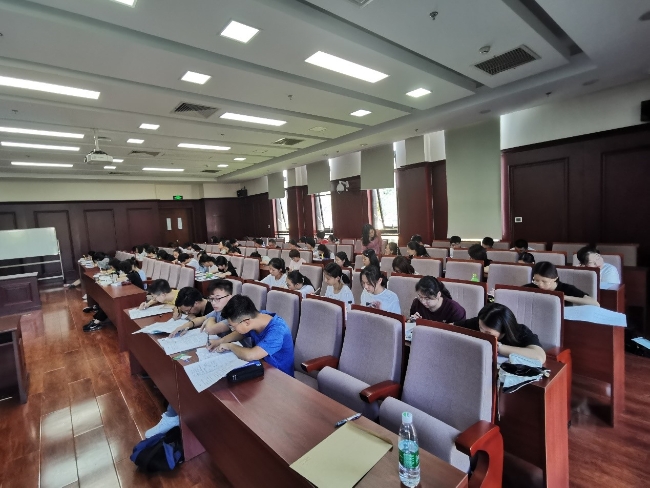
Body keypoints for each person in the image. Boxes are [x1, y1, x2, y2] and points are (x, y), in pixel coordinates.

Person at [207, 295, 295, 379]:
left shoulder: (277, 330)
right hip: (261, 366)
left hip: (280, 376)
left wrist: (230, 346)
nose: (233, 329)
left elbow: (250, 355)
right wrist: (220, 341)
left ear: (246, 322)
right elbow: (241, 333)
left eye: (233, 326)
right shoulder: (258, 317)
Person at [459, 303, 546, 363]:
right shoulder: (481, 322)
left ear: (504, 330)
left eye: (488, 333)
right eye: (480, 328)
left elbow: (540, 357)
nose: (482, 333)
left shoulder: (521, 331)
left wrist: (499, 347)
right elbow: (452, 328)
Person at [524, 261, 599, 306]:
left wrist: (564, 297)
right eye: (536, 280)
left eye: (544, 281)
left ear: (555, 278)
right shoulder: (531, 287)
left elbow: (595, 303)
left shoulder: (567, 289)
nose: (540, 284)